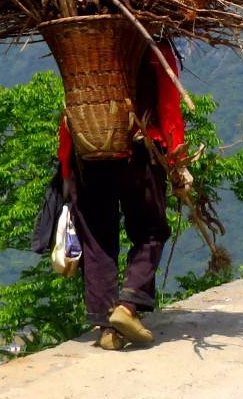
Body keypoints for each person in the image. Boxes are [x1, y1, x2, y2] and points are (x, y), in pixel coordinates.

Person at [58, 38, 192, 350]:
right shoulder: (153, 49)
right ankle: (126, 307)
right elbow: (169, 107)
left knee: (97, 240)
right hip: (139, 150)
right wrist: (176, 161)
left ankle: (107, 328)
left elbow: (70, 112)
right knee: (150, 231)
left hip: (87, 155)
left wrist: (66, 168)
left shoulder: (84, 51)